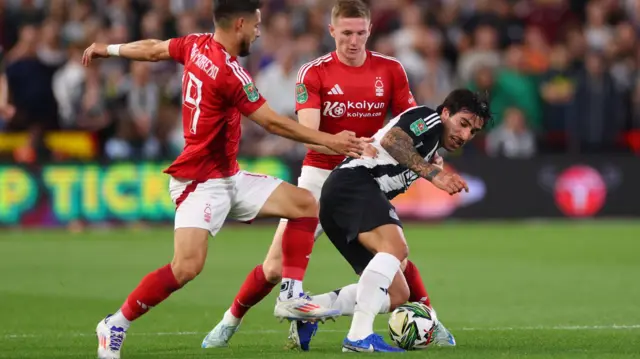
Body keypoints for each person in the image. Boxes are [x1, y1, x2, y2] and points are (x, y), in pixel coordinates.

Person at [81, 1, 370, 358]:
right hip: (199, 181)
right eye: (257, 25)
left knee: (305, 203)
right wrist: (332, 140)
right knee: (186, 267)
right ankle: (115, 324)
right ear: (240, 25)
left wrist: (108, 49)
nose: (259, 32)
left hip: (228, 175)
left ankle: (291, 294)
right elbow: (272, 123)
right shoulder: (229, 71)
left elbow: (154, 49)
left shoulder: (196, 44)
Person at [202, 0, 453, 352]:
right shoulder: (313, 73)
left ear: (370, 31)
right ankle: (229, 321)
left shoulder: (391, 70)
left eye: (360, 33)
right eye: (346, 33)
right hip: (319, 180)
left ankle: (431, 320)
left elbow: (410, 126)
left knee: (395, 256)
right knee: (274, 269)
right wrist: (348, 145)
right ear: (332, 31)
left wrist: (429, 151)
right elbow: (309, 132)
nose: (353, 41)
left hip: (364, 180)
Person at [320, 89, 491, 352]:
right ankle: (357, 337)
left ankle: (311, 310)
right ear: (446, 113)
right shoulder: (428, 119)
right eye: (463, 124)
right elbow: (391, 140)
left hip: (342, 199)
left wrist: (430, 165)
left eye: (473, 131)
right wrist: (433, 174)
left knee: (398, 294)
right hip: (352, 184)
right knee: (396, 249)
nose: (465, 135)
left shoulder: (433, 149)